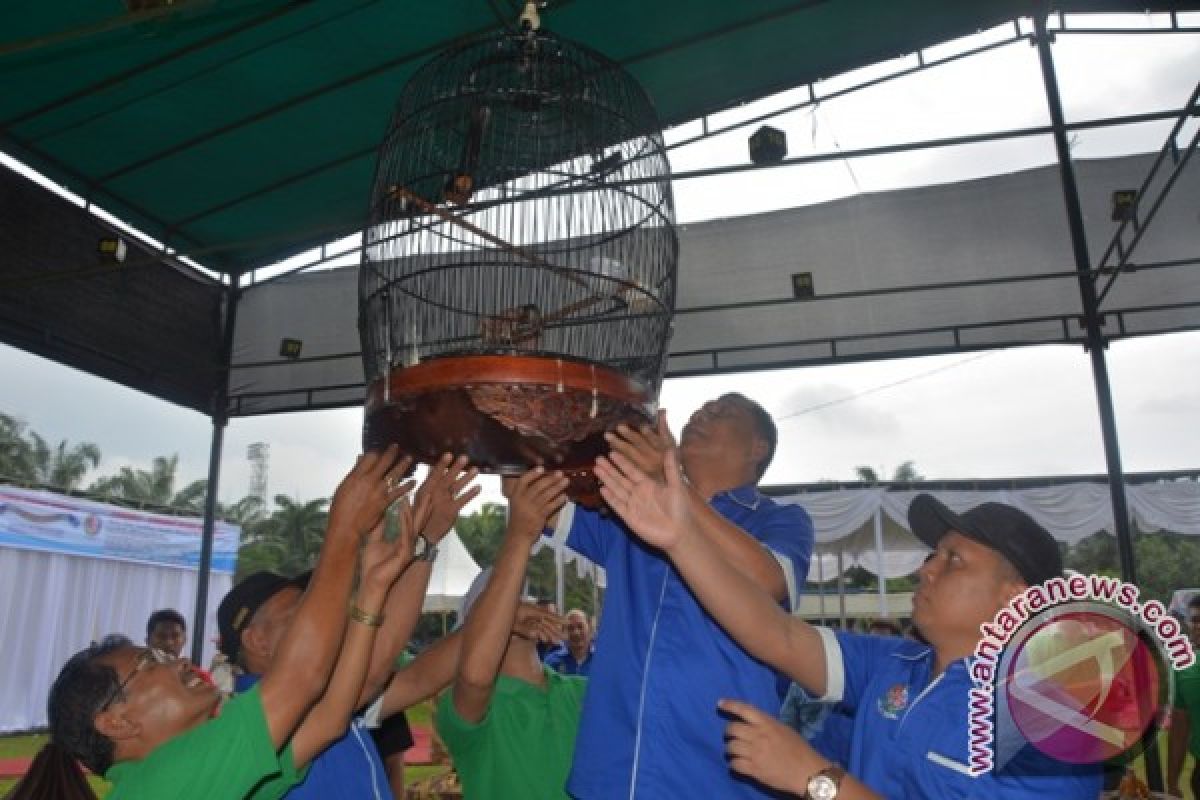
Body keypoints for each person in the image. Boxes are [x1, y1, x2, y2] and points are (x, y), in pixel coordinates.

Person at [594, 439, 1103, 799]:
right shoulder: (896, 663)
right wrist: (680, 539)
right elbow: (777, 635)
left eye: (953, 559)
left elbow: (816, 777)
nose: (927, 568)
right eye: (934, 554)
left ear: (1016, 597)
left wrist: (818, 781)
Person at [9, 446, 414, 800]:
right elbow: (304, 677)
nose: (179, 661)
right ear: (117, 722)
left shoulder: (189, 773)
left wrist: (375, 588)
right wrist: (343, 528)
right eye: (151, 662)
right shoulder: (165, 783)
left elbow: (327, 721)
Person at [550, 395, 813, 798]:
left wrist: (672, 485)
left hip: (720, 780)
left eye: (723, 411)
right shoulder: (628, 514)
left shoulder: (780, 519)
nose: (701, 413)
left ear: (758, 448)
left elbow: (769, 582)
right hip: (612, 776)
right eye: (702, 408)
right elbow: (534, 496)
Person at [217, 452, 480, 800]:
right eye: (300, 613)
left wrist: (496, 615)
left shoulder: (325, 691)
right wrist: (410, 542)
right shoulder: (253, 720)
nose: (322, 621)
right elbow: (377, 667)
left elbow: (420, 677)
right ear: (256, 640)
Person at [436, 468, 586, 800]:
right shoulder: (464, 708)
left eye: (519, 595)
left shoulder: (579, 690)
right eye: (499, 603)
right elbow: (475, 676)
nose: (517, 604)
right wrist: (519, 533)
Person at [1168, 594, 1200, 797]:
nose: (1198, 626)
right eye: (1195, 620)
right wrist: (1171, 781)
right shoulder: (1184, 668)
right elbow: (1180, 728)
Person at [543, 609, 595, 676]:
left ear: (590, 629)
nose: (576, 633)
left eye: (580, 627)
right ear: (563, 633)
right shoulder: (551, 662)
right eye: (570, 628)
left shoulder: (602, 660)